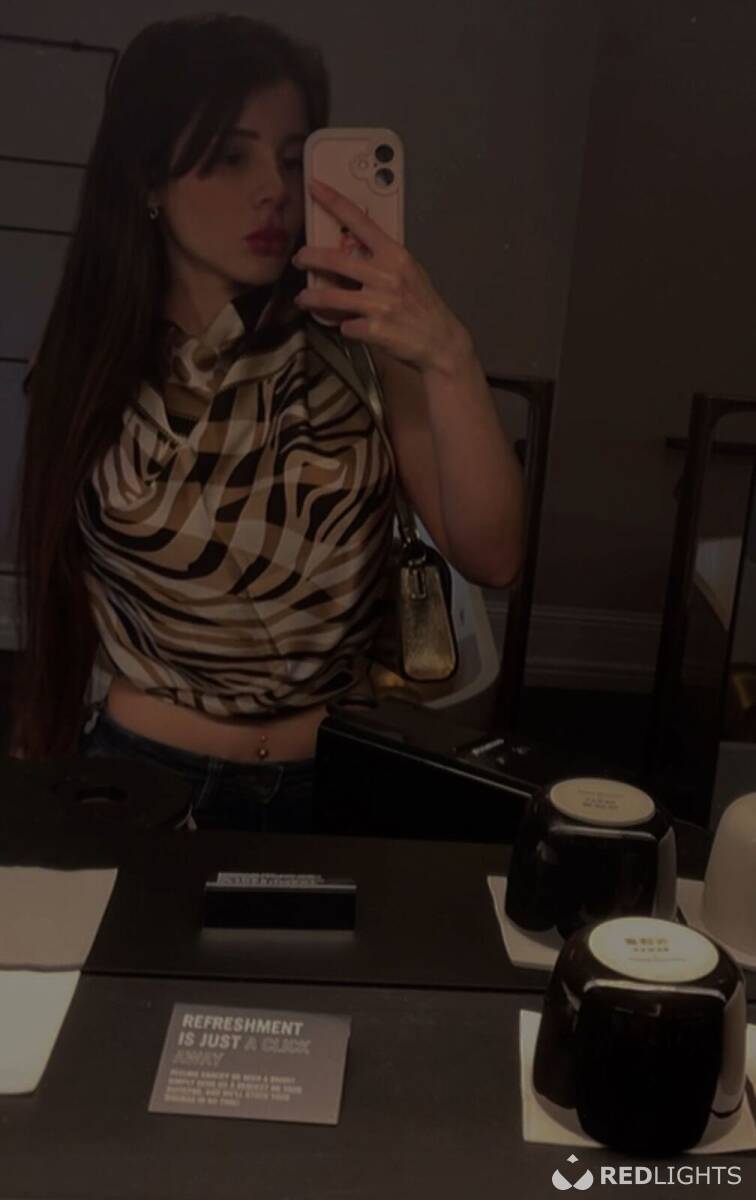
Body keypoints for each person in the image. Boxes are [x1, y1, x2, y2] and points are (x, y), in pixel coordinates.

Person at [10, 13, 525, 831]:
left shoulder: (359, 345)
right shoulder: (90, 360)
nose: (275, 192)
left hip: (337, 779)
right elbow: (57, 583)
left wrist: (448, 354)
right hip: (144, 781)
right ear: (148, 180)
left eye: (292, 159)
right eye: (230, 156)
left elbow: (492, 555)